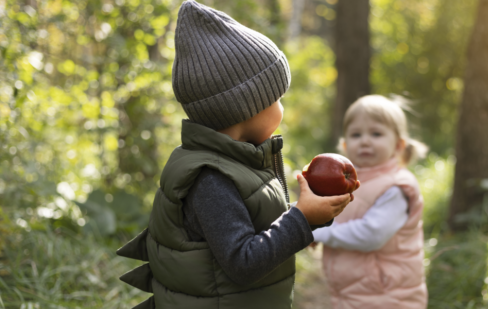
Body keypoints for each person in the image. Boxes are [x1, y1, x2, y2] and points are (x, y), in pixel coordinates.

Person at [115, 2, 352, 308]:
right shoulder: (211, 179)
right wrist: (301, 219)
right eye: (277, 98)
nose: (282, 106)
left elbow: (253, 226)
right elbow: (244, 262)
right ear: (245, 109)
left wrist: (311, 217)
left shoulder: (234, 162)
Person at [313, 94, 429, 309]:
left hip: (388, 296)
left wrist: (317, 232)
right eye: (356, 134)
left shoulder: (396, 187)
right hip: (353, 293)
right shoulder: (350, 183)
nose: (365, 140)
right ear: (345, 145)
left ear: (398, 145)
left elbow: (371, 235)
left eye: (376, 134)